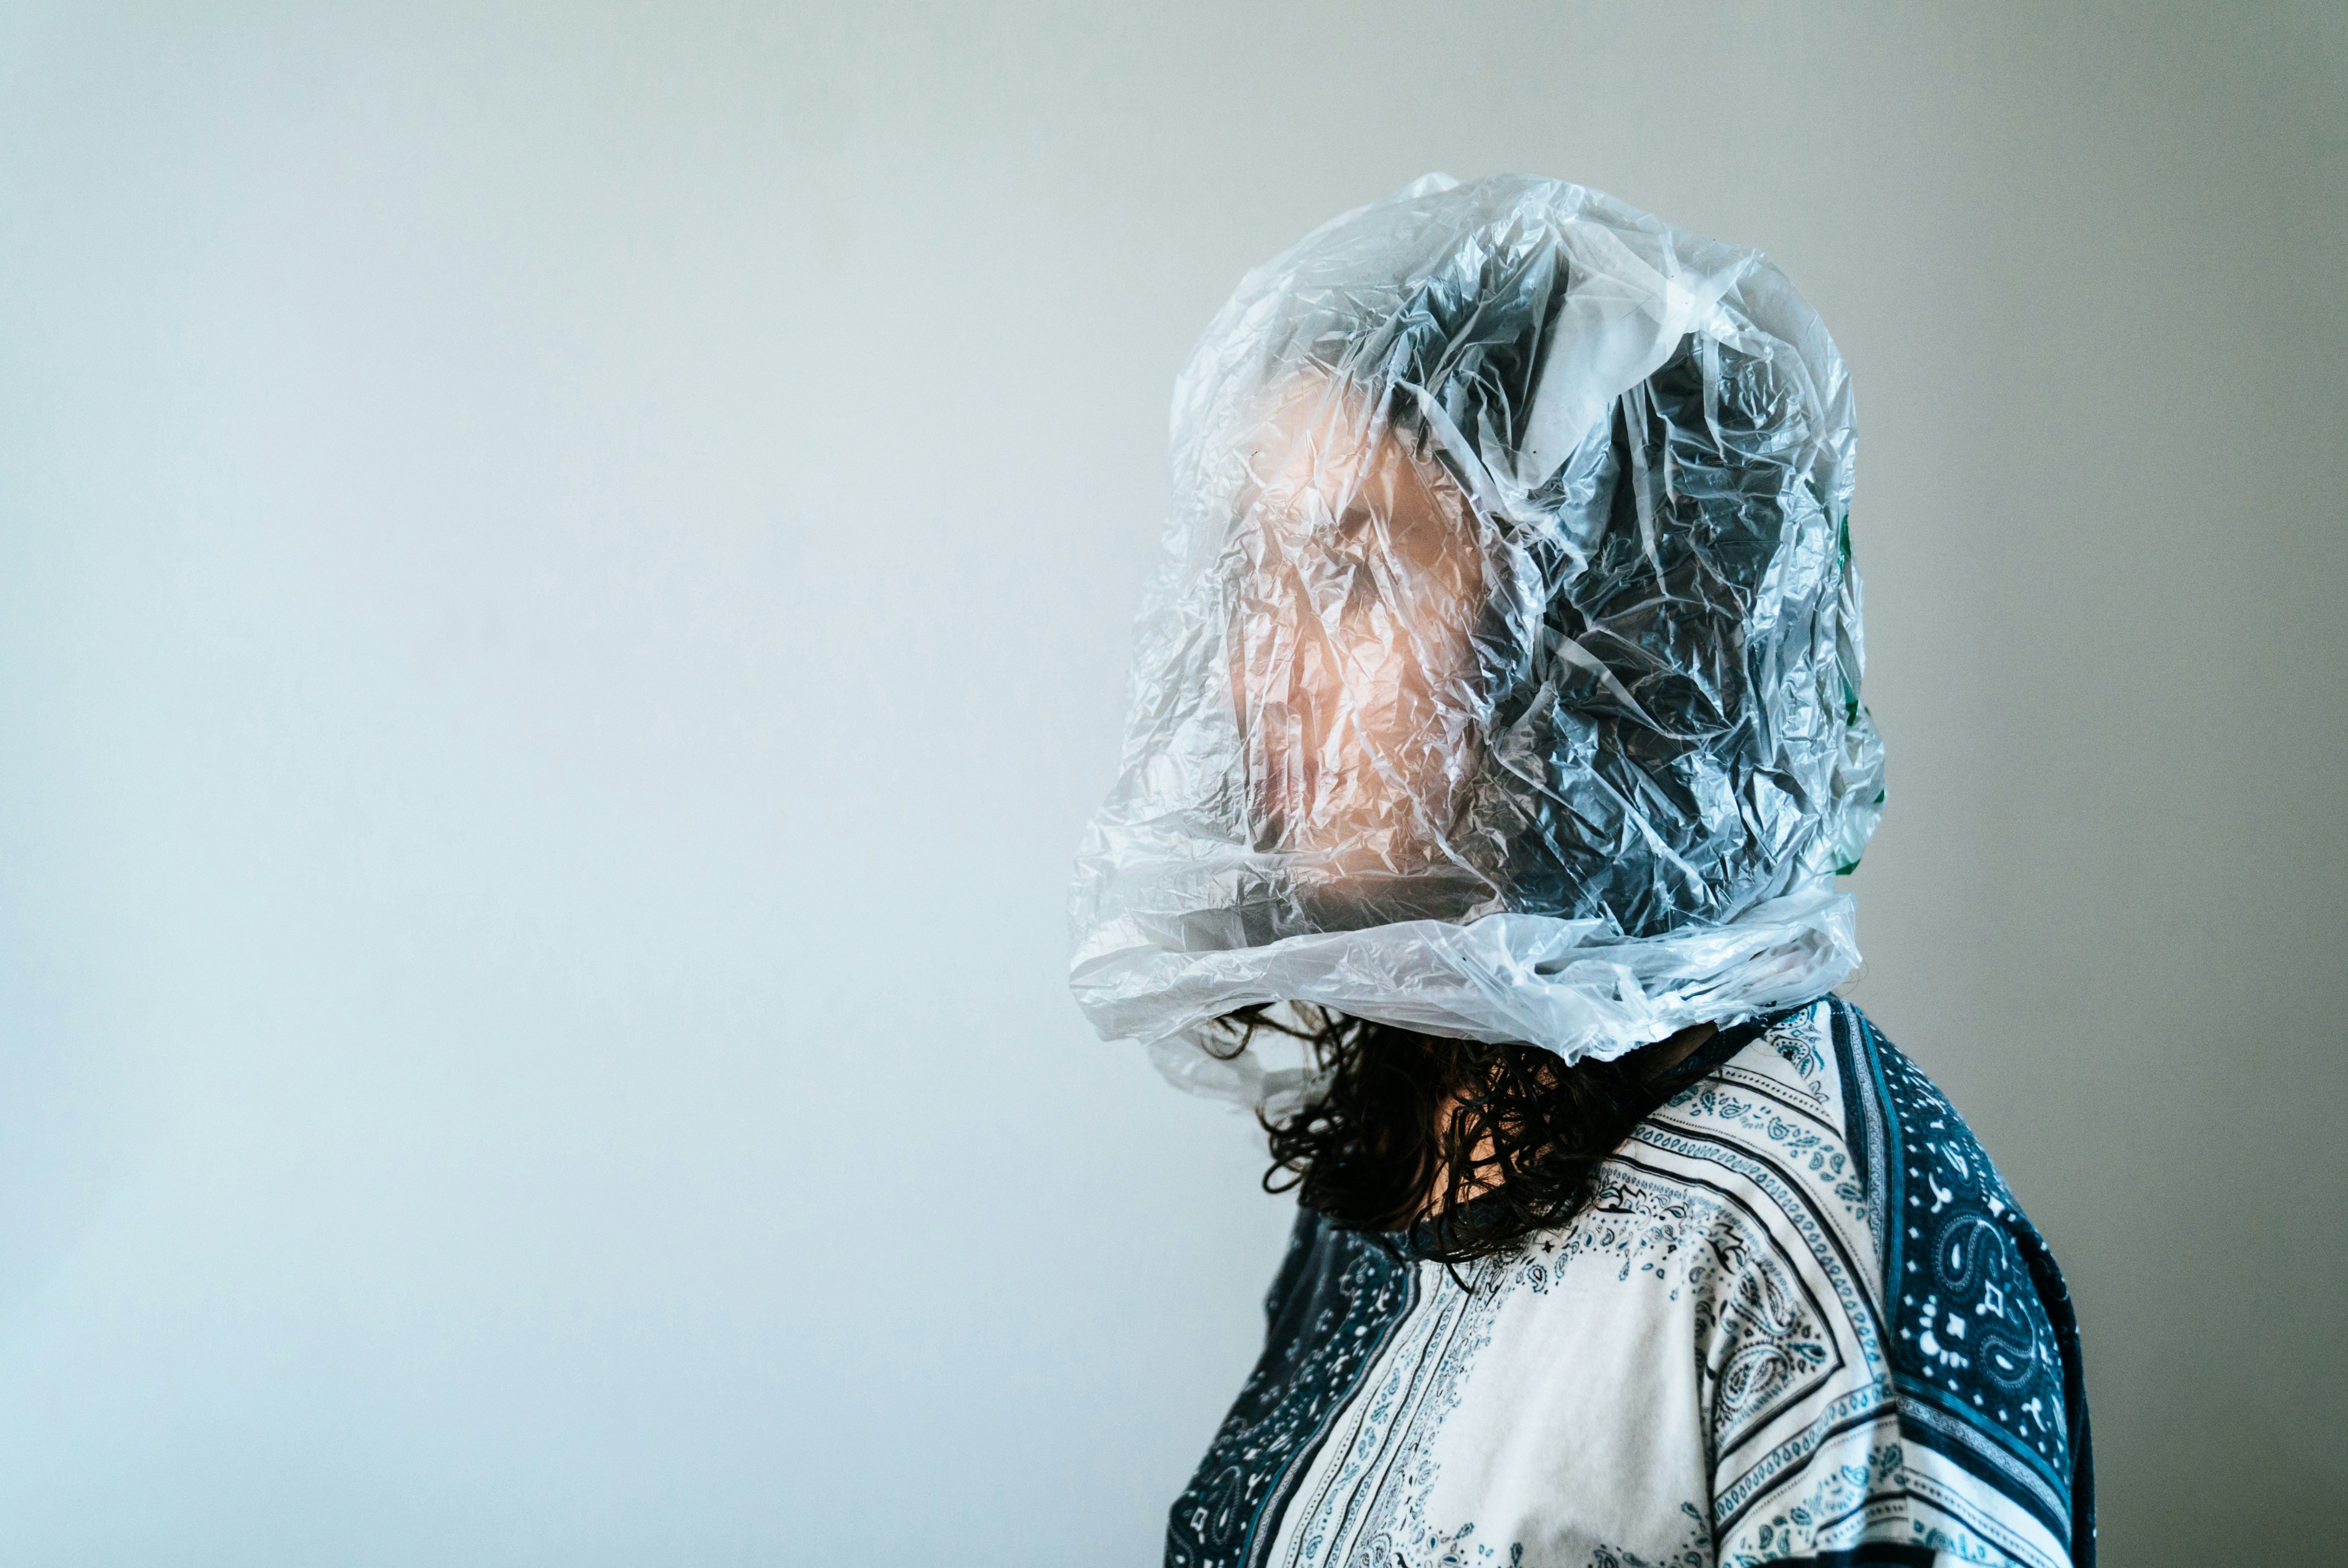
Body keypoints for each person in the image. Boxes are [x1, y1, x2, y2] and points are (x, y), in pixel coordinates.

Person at [1070, 175, 2092, 1568]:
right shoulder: (1404, 1145)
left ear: (1603, 622)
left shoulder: (1820, 1275)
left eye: (1354, 573)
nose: (1257, 677)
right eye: (1255, 587)